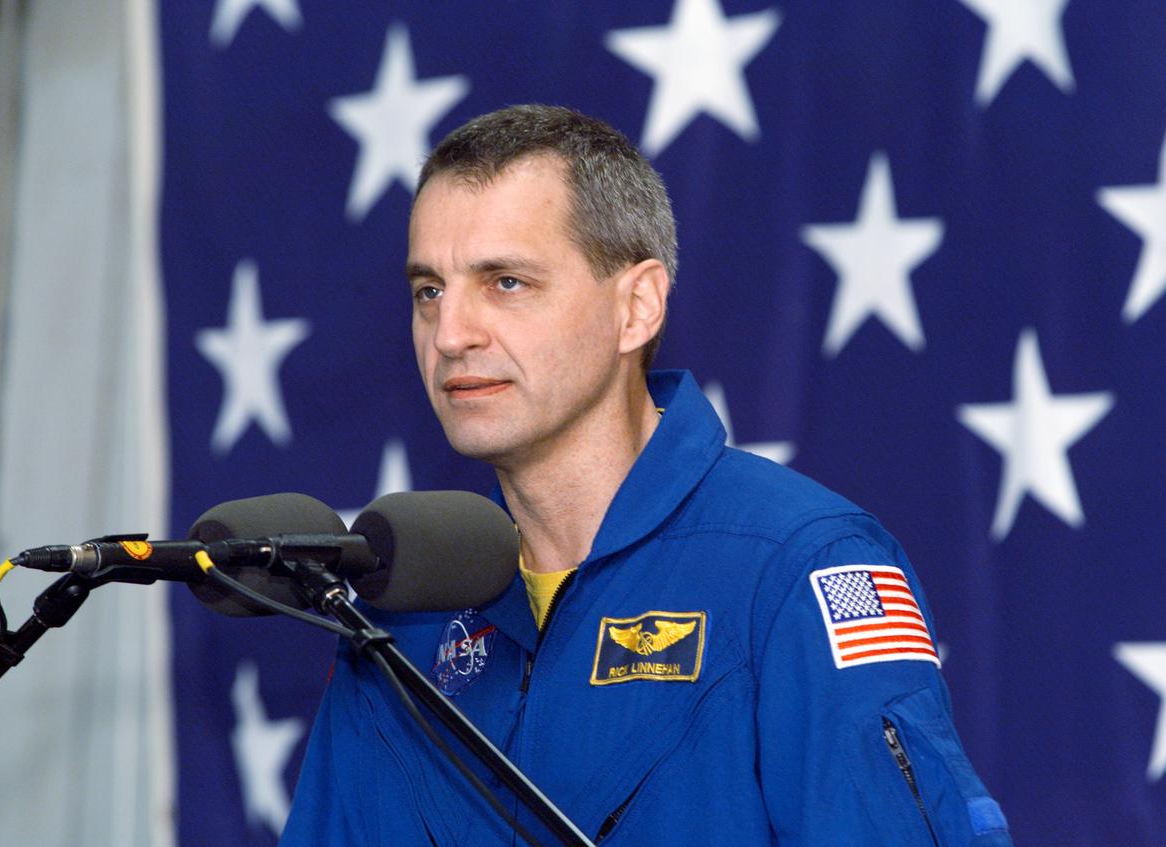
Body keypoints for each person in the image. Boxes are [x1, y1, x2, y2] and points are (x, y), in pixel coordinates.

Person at [281, 104, 1012, 846]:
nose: (451, 333)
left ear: (637, 307)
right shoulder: (403, 614)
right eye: (428, 290)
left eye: (505, 282)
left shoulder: (795, 568)